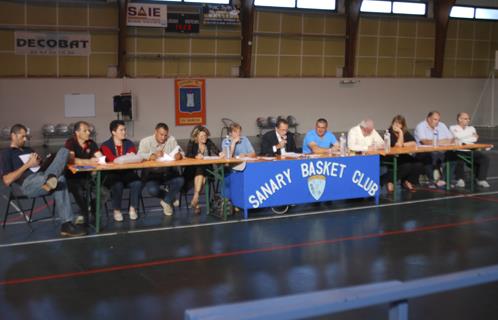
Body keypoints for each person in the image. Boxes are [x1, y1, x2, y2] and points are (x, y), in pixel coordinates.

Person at [1, 124, 86, 237]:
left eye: (26, 136)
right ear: (13, 136)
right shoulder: (6, 153)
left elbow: (40, 167)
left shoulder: (28, 149)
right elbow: (7, 180)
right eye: (23, 136)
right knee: (60, 179)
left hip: (42, 175)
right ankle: (66, 224)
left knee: (64, 151)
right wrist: (28, 165)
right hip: (28, 184)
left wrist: (43, 162)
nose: (25, 139)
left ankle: (51, 178)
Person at [138, 123, 184, 216]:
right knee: (152, 190)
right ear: (155, 132)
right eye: (161, 134)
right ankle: (170, 197)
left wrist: (179, 155)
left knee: (180, 180)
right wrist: (152, 156)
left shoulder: (171, 140)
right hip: (152, 174)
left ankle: (166, 201)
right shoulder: (145, 141)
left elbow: (180, 151)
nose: (163, 137)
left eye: (165, 135)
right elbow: (139, 155)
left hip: (168, 173)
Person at [100, 120, 142, 222]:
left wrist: (125, 159)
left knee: (137, 182)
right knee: (117, 184)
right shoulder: (105, 145)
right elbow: (112, 159)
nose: (124, 132)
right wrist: (126, 158)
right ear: (113, 132)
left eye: (124, 129)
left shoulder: (129, 143)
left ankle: (132, 208)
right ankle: (117, 210)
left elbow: (133, 158)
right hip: (112, 174)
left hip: (127, 172)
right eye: (121, 130)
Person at [64, 121, 102, 223]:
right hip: (72, 178)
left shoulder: (91, 143)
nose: (88, 133)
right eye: (85, 131)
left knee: (105, 193)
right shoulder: (70, 143)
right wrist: (89, 161)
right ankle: (84, 213)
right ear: (77, 133)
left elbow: (101, 158)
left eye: (89, 130)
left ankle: (92, 208)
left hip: (87, 177)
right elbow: (71, 160)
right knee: (79, 192)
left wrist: (101, 160)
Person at [184, 126, 222, 214]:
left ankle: (195, 200)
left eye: (205, 136)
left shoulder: (208, 142)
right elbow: (188, 154)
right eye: (201, 136)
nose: (204, 138)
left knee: (201, 175)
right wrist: (195, 156)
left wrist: (221, 153)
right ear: (196, 137)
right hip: (193, 170)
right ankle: (196, 199)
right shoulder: (192, 142)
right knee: (201, 176)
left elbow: (216, 150)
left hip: (207, 169)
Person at [381, 115, 424, 192]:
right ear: (392, 123)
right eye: (395, 123)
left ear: (402, 125)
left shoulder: (405, 132)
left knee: (418, 164)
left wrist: (404, 144)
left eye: (399, 124)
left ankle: (407, 181)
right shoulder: (388, 133)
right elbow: (398, 145)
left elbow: (413, 142)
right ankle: (389, 180)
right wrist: (400, 133)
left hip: (402, 155)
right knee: (406, 166)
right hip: (391, 156)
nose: (397, 125)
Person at [414, 111, 455, 188]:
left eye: (438, 120)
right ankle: (431, 180)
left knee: (453, 155)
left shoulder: (442, 125)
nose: (437, 122)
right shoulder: (420, 126)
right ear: (428, 119)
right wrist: (442, 141)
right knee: (431, 154)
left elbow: (451, 138)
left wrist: (438, 141)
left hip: (441, 150)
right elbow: (425, 141)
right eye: (435, 119)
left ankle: (445, 180)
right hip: (424, 152)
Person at [449, 112, 490, 188]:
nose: (468, 120)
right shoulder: (452, 127)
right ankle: (460, 179)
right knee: (457, 158)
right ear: (459, 119)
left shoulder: (471, 128)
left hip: (471, 150)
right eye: (465, 118)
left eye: (468, 119)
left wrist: (462, 138)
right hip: (459, 150)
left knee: (485, 158)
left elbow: (474, 139)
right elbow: (457, 136)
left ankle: (481, 179)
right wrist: (469, 136)